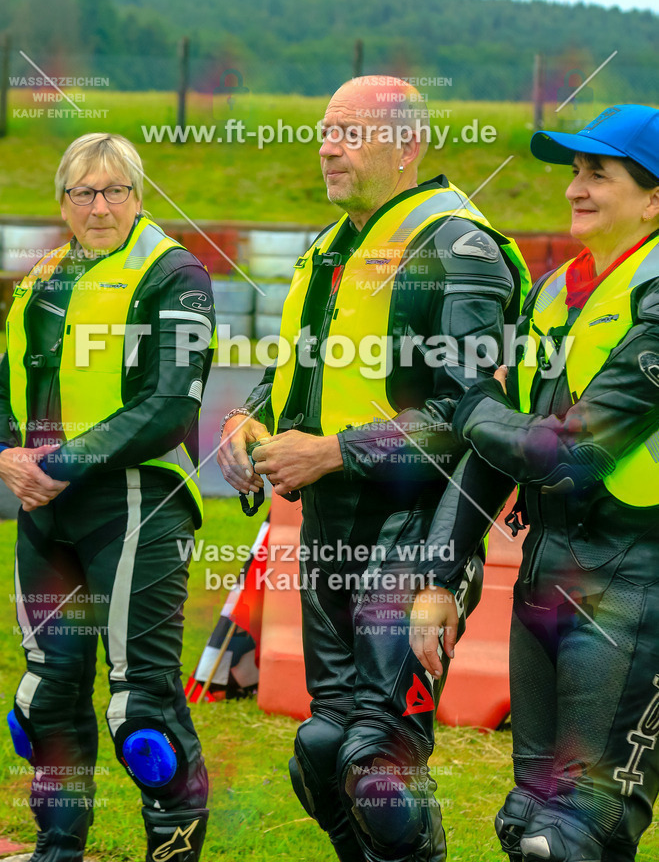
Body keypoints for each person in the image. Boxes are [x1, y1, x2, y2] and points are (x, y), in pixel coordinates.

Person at [217, 76, 529, 862]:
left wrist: (333, 451)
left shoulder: (459, 248)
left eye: (349, 132)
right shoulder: (332, 247)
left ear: (406, 145)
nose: (326, 146)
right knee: (323, 750)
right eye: (324, 130)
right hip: (329, 534)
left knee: (377, 766)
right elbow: (295, 380)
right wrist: (246, 420)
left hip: (418, 532)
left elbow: (472, 421)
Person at [410, 104, 659, 862]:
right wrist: (438, 577)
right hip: (544, 578)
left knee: (578, 830)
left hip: (634, 583)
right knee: (526, 822)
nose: (575, 190)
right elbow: (493, 451)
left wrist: (474, 408)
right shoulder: (556, 294)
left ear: (653, 199)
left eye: (598, 174)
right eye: (573, 173)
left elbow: (566, 452)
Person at [0, 134, 215, 862]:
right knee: (45, 700)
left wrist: (62, 461)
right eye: (83, 192)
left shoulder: (175, 273)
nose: (100, 205)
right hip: (48, 510)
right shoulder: (42, 279)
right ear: (63, 202)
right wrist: (3, 455)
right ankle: (58, 849)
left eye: (115, 189)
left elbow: (171, 404)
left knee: (141, 713)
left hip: (137, 505)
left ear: (140, 196)